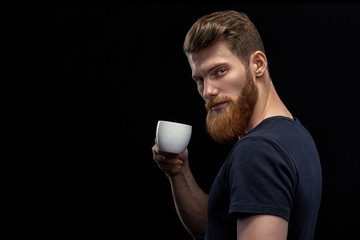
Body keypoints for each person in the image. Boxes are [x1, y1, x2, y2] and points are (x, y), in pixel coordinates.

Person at [152, 10, 322, 240]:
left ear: (258, 64)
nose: (208, 91)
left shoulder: (258, 152)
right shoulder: (294, 134)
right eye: (200, 79)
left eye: (220, 71)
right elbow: (214, 228)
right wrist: (178, 172)